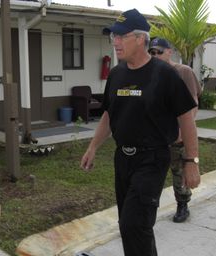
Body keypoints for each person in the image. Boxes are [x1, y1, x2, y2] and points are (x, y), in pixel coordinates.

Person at [81, 9, 200, 256]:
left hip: (152, 158)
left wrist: (191, 161)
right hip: (123, 159)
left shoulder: (164, 74)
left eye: (121, 36)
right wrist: (93, 147)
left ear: (140, 39)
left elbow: (187, 119)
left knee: (135, 223)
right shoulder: (116, 74)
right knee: (128, 223)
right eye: (113, 36)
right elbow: (108, 114)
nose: (115, 42)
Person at [148, 38, 201, 223]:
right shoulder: (151, 73)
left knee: (179, 173)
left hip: (178, 136)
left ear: (170, 52)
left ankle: (183, 205)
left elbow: (193, 104)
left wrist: (181, 130)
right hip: (157, 137)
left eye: (159, 52)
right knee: (152, 175)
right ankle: (149, 209)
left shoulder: (183, 72)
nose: (155, 56)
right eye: (152, 52)